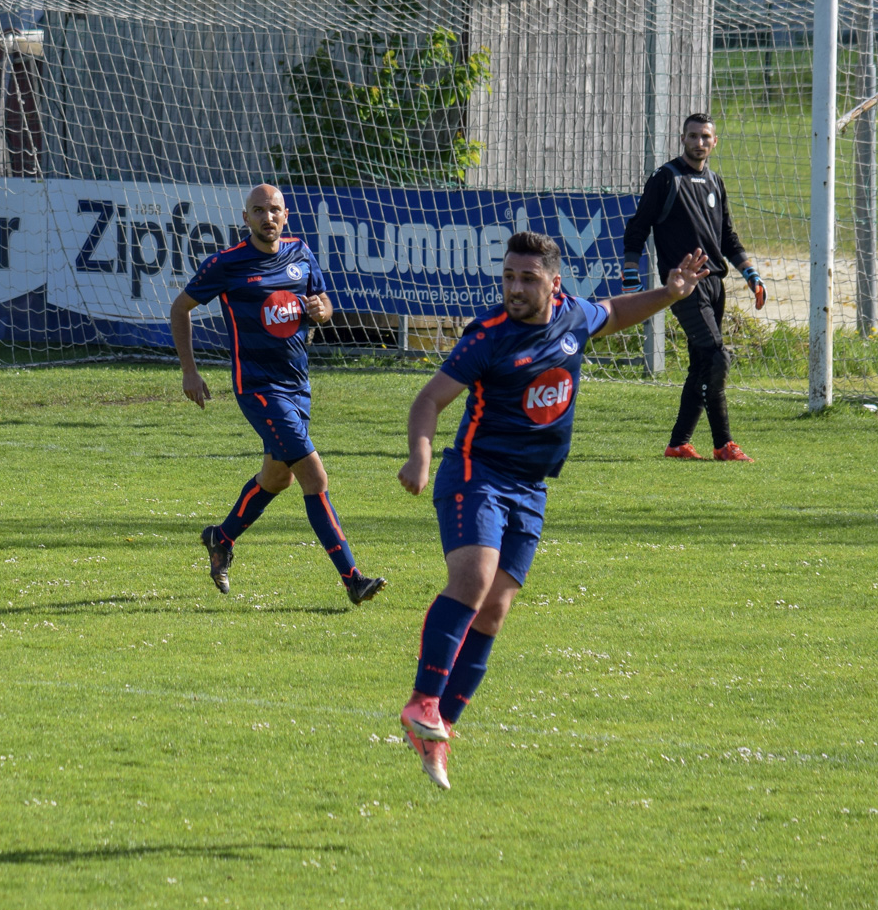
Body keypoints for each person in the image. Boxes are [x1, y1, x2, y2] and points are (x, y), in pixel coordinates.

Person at [395, 231, 709, 790]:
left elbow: (615, 311)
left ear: (555, 283)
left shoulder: (572, 316)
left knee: (494, 611)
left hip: (531, 487)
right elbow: (429, 399)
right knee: (474, 579)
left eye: (528, 278)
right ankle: (423, 701)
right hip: (476, 474)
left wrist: (670, 293)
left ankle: (439, 730)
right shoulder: (488, 337)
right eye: (508, 277)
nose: (515, 288)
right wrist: (420, 455)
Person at [169, 184, 386, 605]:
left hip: (298, 387)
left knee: (277, 477)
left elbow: (323, 303)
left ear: (285, 215)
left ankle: (221, 538)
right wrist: (189, 372)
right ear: (246, 219)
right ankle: (353, 579)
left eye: (274, 210)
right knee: (314, 477)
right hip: (259, 388)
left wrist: (323, 311)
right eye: (259, 211)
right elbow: (181, 308)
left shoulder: (300, 253)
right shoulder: (226, 264)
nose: (268, 217)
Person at [621, 113, 766, 462]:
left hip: (715, 284)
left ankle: (679, 444)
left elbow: (727, 237)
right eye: (693, 136)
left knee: (701, 363)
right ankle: (724, 444)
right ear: (682, 139)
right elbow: (639, 225)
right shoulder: (666, 178)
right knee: (716, 358)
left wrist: (751, 274)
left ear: (714, 142)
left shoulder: (715, 181)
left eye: (705, 137)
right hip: (684, 286)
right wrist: (631, 268)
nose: (699, 142)